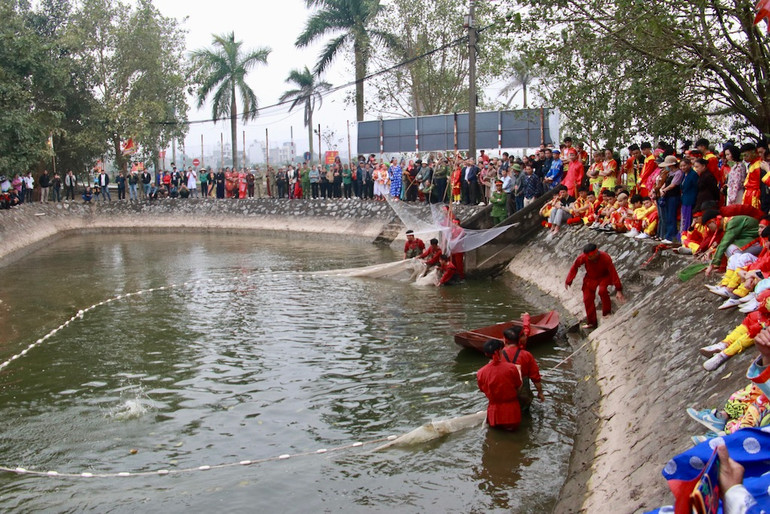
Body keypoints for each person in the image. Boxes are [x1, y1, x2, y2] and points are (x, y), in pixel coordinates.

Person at [565, 243, 626, 330]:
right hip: (591, 277)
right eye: (589, 257)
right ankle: (592, 322)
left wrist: (618, 289)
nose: (591, 258)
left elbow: (613, 273)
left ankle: (606, 313)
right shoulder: (583, 257)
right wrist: (569, 280)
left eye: (593, 256)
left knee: (602, 291)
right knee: (587, 299)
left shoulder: (605, 257)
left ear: (597, 252)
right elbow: (575, 267)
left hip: (604, 276)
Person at [476, 339, 523, 431]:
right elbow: (519, 387)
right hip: (511, 413)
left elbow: (483, 389)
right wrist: (519, 372)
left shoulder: (480, 372)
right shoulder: (511, 368)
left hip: (493, 414)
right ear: (500, 351)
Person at [502, 321, 545, 408]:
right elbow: (535, 378)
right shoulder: (526, 355)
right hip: (522, 392)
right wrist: (540, 392)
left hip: (503, 391)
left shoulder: (498, 354)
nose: (526, 337)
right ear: (519, 339)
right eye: (524, 335)